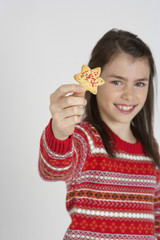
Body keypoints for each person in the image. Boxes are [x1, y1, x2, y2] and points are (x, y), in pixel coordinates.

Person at [38, 29, 160, 240]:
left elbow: (157, 219)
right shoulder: (84, 139)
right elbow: (53, 169)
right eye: (117, 82)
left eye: (139, 83)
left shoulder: (152, 149)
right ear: (95, 82)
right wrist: (59, 133)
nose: (129, 95)